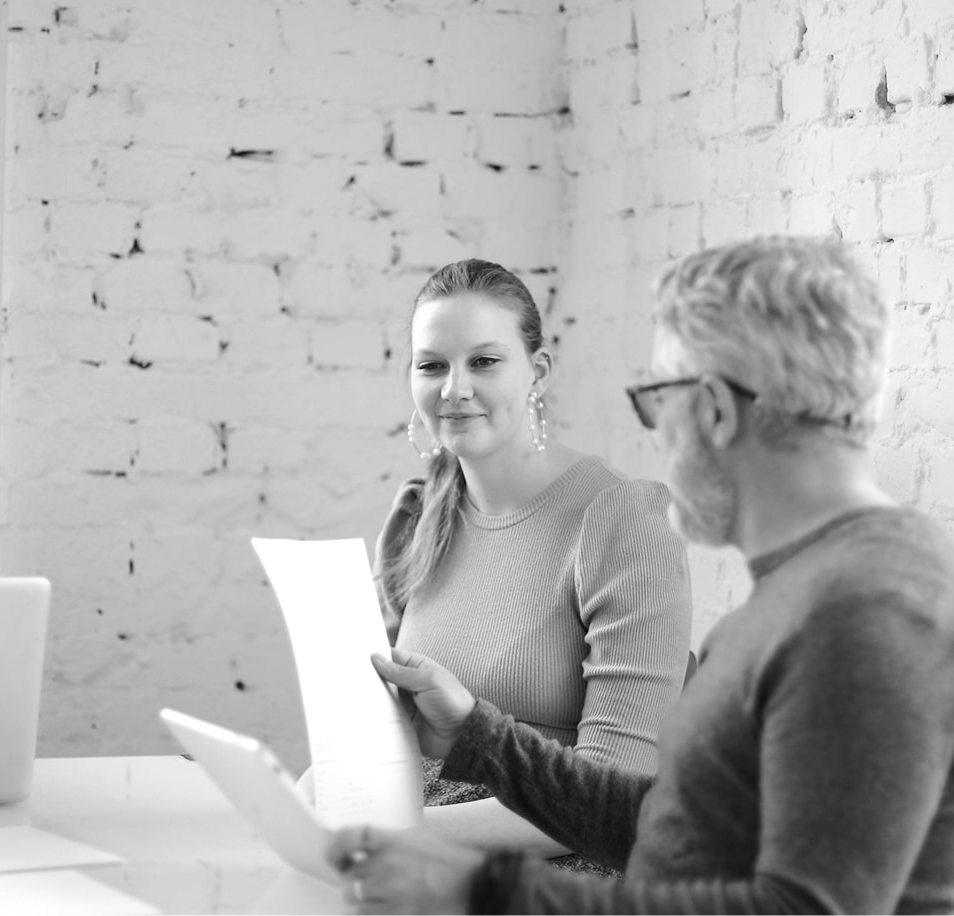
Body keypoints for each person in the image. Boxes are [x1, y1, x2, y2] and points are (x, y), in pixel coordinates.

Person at [327, 236, 954, 913]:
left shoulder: (864, 612)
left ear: (709, 408)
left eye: (656, 400)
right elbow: (669, 830)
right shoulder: (802, 597)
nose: (657, 435)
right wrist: (480, 738)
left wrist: (484, 888)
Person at [375, 259, 691, 859]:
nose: (454, 389)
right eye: (432, 365)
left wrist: (402, 838)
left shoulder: (624, 522)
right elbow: (377, 726)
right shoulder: (418, 514)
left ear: (537, 371)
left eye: (484, 362)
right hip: (410, 840)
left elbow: (616, 798)